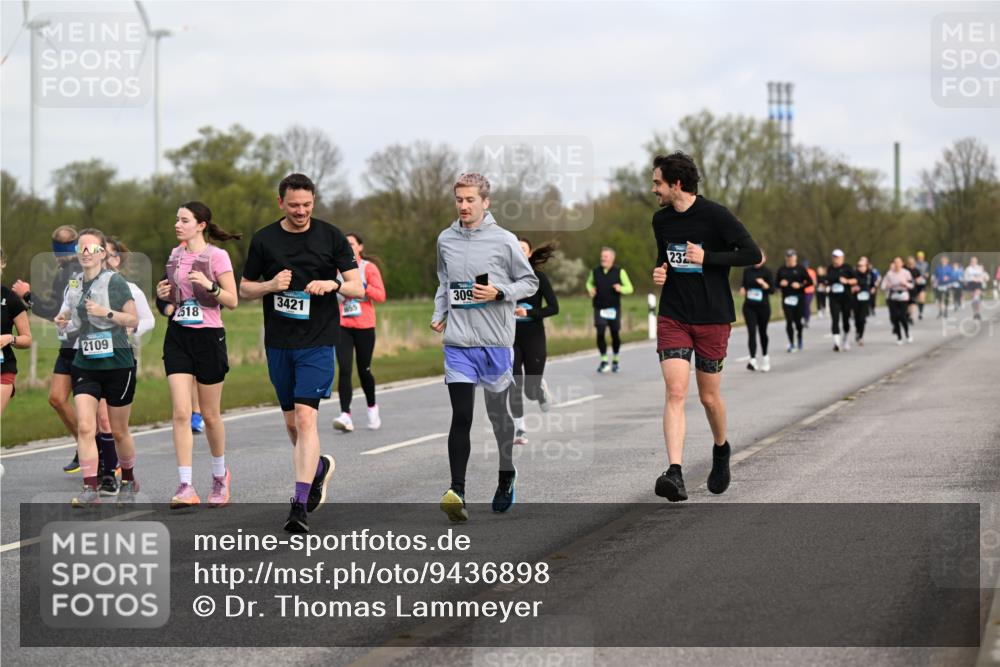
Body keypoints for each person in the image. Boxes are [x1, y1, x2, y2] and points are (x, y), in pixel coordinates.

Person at [239, 173, 363, 533]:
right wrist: (269, 285)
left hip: (319, 340)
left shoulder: (330, 235)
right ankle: (318, 467)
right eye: (294, 205)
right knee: (292, 424)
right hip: (280, 343)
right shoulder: (265, 239)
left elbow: (357, 286)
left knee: (307, 421)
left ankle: (298, 506)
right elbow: (244, 290)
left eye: (307, 205)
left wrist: (334, 283)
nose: (301, 211)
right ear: (281, 203)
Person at [649, 152, 761, 502]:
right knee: (676, 392)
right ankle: (675, 473)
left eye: (658, 183)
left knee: (709, 397)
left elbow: (752, 254)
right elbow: (664, 257)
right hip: (674, 315)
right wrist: (660, 271)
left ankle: (721, 449)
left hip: (712, 317)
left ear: (676, 184)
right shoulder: (660, 221)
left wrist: (708, 258)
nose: (654, 189)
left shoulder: (716, 216)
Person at [431, 173, 538, 522]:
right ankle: (456, 491)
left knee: (496, 416)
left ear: (485, 202)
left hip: (495, 342)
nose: (463, 205)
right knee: (461, 416)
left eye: (470, 200)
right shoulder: (445, 239)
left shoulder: (504, 240)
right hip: (459, 343)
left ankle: (506, 473)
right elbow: (445, 282)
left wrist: (500, 292)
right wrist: (440, 312)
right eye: (459, 200)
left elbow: (529, 282)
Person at [156, 202, 240, 508]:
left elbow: (232, 301)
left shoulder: (217, 256)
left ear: (201, 224)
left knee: (210, 415)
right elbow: (171, 298)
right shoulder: (175, 255)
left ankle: (220, 476)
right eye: (176, 219)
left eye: (184, 220)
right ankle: (186, 485)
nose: (177, 224)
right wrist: (164, 295)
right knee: (180, 412)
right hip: (178, 335)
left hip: (208, 338)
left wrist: (210, 286)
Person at [56, 229, 141, 507]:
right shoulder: (75, 283)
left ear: (103, 254)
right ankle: (90, 487)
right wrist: (64, 320)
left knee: (118, 431)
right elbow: (71, 316)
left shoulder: (115, 282)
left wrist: (105, 312)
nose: (85, 253)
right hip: (85, 363)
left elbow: (133, 319)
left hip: (117, 363)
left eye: (91, 248)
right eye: (81, 248)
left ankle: (127, 479)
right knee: (84, 426)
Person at [10, 225, 84, 473]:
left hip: (80, 346)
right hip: (67, 344)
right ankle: (85, 446)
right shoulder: (65, 270)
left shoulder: (72, 271)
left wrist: (27, 295)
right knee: (56, 398)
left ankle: (94, 450)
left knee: (81, 403)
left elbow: (53, 310)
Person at [89, 238, 155, 496]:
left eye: (106, 253)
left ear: (116, 260)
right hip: (91, 360)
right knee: (92, 420)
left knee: (110, 422)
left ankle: (114, 472)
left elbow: (148, 320)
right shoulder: (87, 286)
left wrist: (131, 326)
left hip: (119, 360)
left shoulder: (129, 288)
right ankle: (102, 468)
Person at [332, 233, 386, 433]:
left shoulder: (368, 268)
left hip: (364, 326)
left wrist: (362, 287)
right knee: (345, 369)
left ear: (360, 247)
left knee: (364, 370)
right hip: (342, 325)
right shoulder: (336, 271)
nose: (348, 247)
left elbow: (381, 296)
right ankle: (345, 414)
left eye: (352, 244)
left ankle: (372, 408)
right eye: (345, 244)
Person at [510, 238, 559, 444]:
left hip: (534, 337)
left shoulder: (539, 278)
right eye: (516, 249)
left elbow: (553, 308)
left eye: (523, 249)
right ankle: (520, 429)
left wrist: (530, 311)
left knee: (530, 390)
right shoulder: (506, 278)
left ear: (529, 254)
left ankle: (539, 390)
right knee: (513, 383)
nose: (520, 252)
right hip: (511, 338)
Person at [587, 247, 634, 373]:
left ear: (612, 258)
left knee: (615, 334)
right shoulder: (595, 271)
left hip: (613, 308)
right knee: (600, 332)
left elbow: (630, 288)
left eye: (605, 256)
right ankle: (603, 360)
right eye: (602, 256)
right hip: (599, 307)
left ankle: (615, 360)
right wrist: (590, 289)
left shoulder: (620, 271)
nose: (603, 258)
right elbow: (589, 283)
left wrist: (621, 288)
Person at [2, 248, 33, 417]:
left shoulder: (10, 299)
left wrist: (10, 338)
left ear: (2, 263)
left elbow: (27, 339)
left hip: (3, 368)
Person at [739, 248, 773, 371]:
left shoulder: (767, 272)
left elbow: (772, 290)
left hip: (763, 307)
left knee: (763, 333)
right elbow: (744, 285)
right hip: (749, 306)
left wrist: (764, 284)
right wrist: (743, 289)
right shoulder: (747, 271)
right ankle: (752, 360)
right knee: (751, 332)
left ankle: (765, 358)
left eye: (761, 256)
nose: (758, 259)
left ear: (765, 258)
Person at [775, 249, 811, 353]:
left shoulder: (801, 269)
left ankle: (799, 337)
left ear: (795, 258)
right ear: (786, 258)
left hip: (799, 298)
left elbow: (810, 282)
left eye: (792, 257)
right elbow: (775, 284)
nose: (790, 259)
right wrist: (781, 283)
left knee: (798, 322)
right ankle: (791, 343)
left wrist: (800, 285)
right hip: (786, 299)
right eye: (788, 257)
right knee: (789, 321)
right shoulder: (781, 269)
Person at [822, 249, 857, 352]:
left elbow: (855, 280)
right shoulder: (830, 269)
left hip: (846, 297)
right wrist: (825, 283)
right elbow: (826, 280)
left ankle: (845, 339)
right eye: (834, 257)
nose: (836, 259)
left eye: (838, 257)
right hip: (834, 298)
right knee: (835, 319)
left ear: (842, 258)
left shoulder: (847, 268)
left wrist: (847, 281)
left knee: (846, 320)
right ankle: (836, 343)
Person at [881, 257, 914, 345]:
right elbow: (883, 286)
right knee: (895, 317)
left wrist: (905, 283)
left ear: (902, 264)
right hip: (893, 297)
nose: (897, 264)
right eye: (895, 263)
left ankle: (907, 334)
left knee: (902, 317)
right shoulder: (889, 274)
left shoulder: (906, 273)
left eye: (898, 262)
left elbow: (912, 285)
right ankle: (899, 337)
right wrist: (888, 286)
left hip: (903, 296)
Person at [851, 256, 877, 346]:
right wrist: (853, 288)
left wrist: (873, 289)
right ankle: (857, 332)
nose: (861, 267)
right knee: (857, 318)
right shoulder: (854, 274)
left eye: (863, 266)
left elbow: (874, 284)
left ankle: (861, 336)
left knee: (862, 318)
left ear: (866, 266)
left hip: (866, 299)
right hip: (855, 299)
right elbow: (850, 284)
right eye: (859, 266)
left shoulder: (870, 274)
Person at [963, 256, 989, 321]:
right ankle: (975, 313)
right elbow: (965, 278)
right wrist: (972, 279)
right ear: (970, 261)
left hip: (978, 284)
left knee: (976, 298)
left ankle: (978, 312)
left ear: (976, 261)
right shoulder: (968, 269)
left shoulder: (979, 268)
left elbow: (985, 275)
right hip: (971, 284)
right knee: (973, 300)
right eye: (972, 261)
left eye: (975, 261)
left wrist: (984, 278)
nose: (973, 262)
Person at [905, 255, 924, 324]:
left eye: (912, 262)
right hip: (906, 289)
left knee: (912, 303)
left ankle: (910, 316)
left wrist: (917, 280)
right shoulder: (905, 269)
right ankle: (907, 314)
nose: (911, 263)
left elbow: (920, 279)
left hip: (914, 289)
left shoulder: (916, 270)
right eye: (909, 262)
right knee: (906, 304)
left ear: (914, 262)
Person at [914, 251, 930, 320]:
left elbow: (927, 273)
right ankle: (919, 309)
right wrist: (916, 278)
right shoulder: (915, 264)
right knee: (917, 299)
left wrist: (925, 276)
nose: (920, 258)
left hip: (923, 282)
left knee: (922, 297)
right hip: (916, 283)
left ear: (923, 257)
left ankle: (921, 313)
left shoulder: (926, 264)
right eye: (919, 257)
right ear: (917, 257)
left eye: (921, 257)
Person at [802, 260, 817, 328]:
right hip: (801, 291)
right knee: (802, 306)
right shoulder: (801, 271)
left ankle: (806, 319)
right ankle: (803, 317)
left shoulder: (811, 272)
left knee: (806, 304)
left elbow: (814, 281)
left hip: (809, 291)